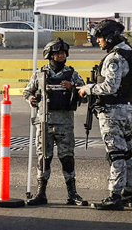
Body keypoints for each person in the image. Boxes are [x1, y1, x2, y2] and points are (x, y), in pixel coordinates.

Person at [78, 19, 132, 210]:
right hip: (129, 108)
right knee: (127, 151)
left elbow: (110, 86)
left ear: (109, 37)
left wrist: (88, 89)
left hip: (113, 110)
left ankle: (115, 195)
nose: (98, 41)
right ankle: (129, 193)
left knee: (115, 154)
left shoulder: (115, 58)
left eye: (99, 37)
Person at [23, 38, 88, 206]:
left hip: (65, 123)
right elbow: (27, 91)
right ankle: (41, 193)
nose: (61, 56)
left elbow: (85, 94)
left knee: (67, 158)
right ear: (49, 55)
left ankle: (72, 194)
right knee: (44, 157)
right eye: (57, 53)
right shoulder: (40, 73)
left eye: (63, 53)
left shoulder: (72, 74)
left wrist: (72, 87)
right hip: (44, 123)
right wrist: (31, 98)